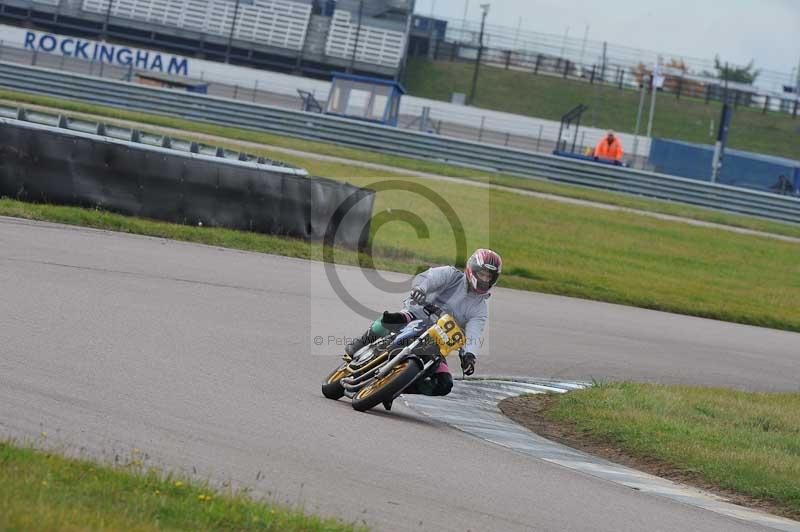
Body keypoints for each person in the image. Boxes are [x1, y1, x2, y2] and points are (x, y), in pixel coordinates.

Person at [344, 249, 502, 398]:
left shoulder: (480, 309)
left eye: (489, 277)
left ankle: (395, 388)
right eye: (482, 274)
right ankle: (362, 342)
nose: (484, 279)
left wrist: (469, 356)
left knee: (444, 384)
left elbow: (475, 332)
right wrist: (421, 289)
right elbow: (430, 278)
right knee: (390, 320)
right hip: (416, 315)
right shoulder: (451, 275)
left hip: (437, 342)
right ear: (472, 269)